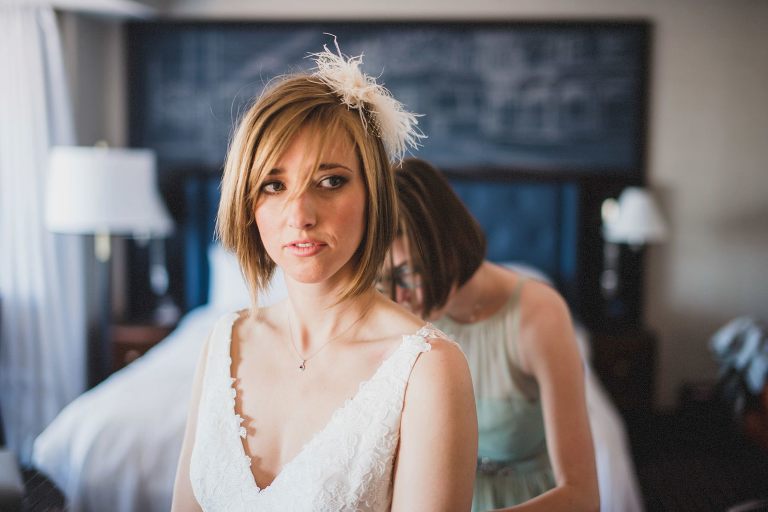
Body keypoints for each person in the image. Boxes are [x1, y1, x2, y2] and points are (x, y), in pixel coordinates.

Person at [171, 44, 478, 511]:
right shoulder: (223, 340)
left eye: (330, 181)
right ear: (247, 203)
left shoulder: (427, 368)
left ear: (372, 193)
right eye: (273, 185)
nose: (300, 214)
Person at [380, 158, 601, 512]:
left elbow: (583, 497)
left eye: (411, 272)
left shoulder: (539, 316)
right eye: (385, 277)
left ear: (449, 247)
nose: (398, 296)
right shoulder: (402, 316)